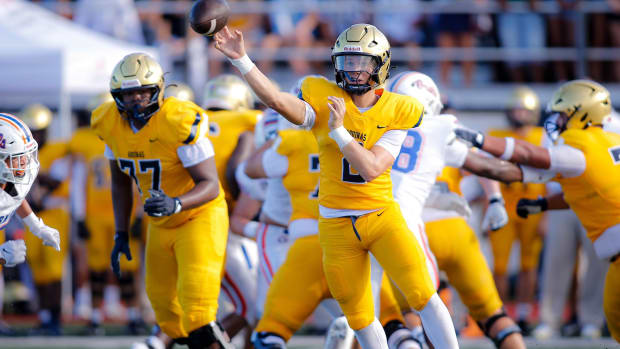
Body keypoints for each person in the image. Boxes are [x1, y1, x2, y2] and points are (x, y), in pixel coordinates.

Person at [214, 24, 458, 349]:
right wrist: (242, 59)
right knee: (359, 317)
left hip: (381, 218)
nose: (354, 71)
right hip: (335, 225)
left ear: (380, 64)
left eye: (362, 63)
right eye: (348, 62)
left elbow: (371, 168)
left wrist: (340, 132)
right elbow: (276, 99)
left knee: (423, 295)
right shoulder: (323, 96)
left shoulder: (399, 108)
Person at [453, 79, 620, 343]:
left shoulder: (579, 151)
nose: (557, 121)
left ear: (582, 113)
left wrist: (479, 141)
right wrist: (543, 205)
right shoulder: (608, 139)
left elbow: (526, 154)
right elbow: (582, 193)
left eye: (563, 114)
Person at [91, 53, 231, 349]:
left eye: (143, 91)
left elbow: (211, 185)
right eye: (129, 93)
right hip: (160, 223)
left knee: (198, 313)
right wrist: (120, 232)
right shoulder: (109, 123)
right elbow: (119, 183)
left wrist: (177, 202)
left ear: (159, 89)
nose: (137, 99)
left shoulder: (176, 120)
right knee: (167, 316)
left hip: (199, 216)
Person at [386, 71, 526, 349]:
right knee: (492, 314)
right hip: (455, 229)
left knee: (408, 316)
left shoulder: (379, 129)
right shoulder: (443, 128)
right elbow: (484, 165)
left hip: (406, 231)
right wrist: (496, 199)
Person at [69, 93, 145, 335]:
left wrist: (140, 213)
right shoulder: (84, 141)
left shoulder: (130, 136)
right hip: (96, 214)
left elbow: (141, 178)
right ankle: (94, 317)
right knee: (96, 269)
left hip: (124, 213)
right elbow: (79, 181)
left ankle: (133, 315)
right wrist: (80, 216)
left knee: (128, 269)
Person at [486, 86, 547, 332]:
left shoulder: (543, 136)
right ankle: (499, 313)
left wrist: (547, 215)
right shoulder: (497, 134)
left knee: (528, 264)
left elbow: (551, 177)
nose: (519, 114)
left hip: (532, 207)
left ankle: (523, 314)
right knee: (499, 265)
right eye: (515, 108)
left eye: (524, 109)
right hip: (505, 207)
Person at [0, 112, 61, 330]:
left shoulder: (5, 182)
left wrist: (37, 226)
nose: (24, 163)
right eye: (15, 157)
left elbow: (15, 196)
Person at [18, 104, 69, 335]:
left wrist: (33, 169)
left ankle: (55, 318)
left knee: (53, 268)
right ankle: (44, 316)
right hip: (32, 216)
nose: (36, 136)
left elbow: (56, 181)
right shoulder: (25, 154)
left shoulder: (58, 151)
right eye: (32, 132)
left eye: (39, 131)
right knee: (37, 266)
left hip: (54, 214)